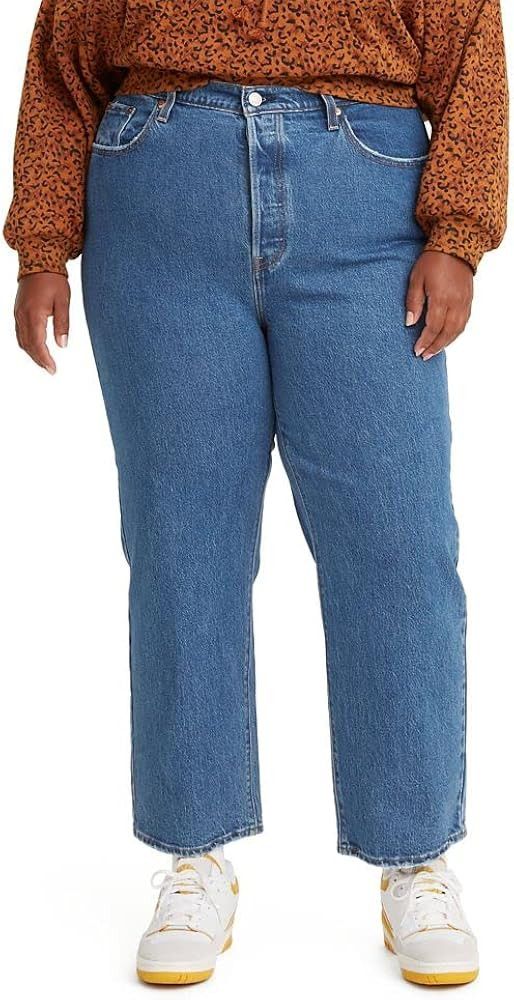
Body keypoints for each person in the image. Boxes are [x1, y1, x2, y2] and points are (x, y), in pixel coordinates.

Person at [4, 0, 508, 989]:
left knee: (397, 542)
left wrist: (459, 233)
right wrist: (41, 247)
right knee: (182, 542)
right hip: (160, 199)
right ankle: (194, 856)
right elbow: (64, 67)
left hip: (365, 196)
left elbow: (470, 52)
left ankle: (416, 856)